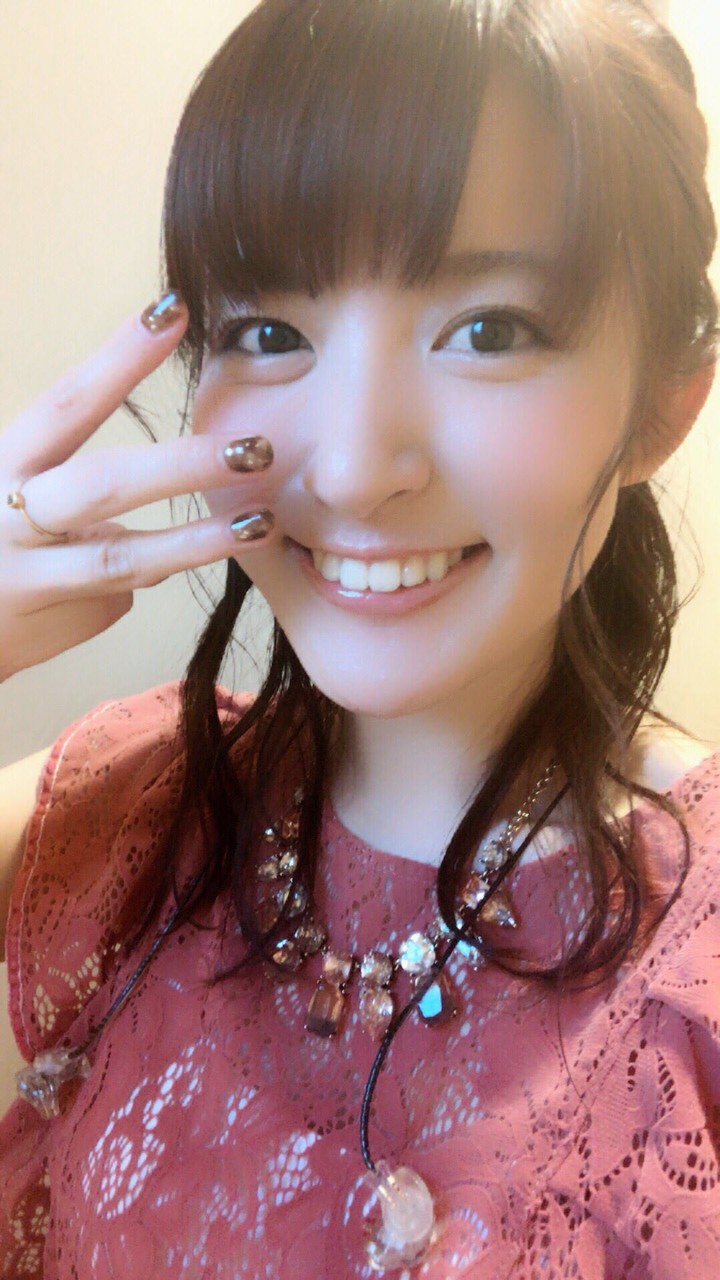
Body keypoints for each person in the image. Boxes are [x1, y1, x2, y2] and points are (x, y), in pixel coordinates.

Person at [1, 0, 719, 1274]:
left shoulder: (691, 966)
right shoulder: (132, 818)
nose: (346, 469)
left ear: (665, 398)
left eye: (488, 329)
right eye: (267, 332)